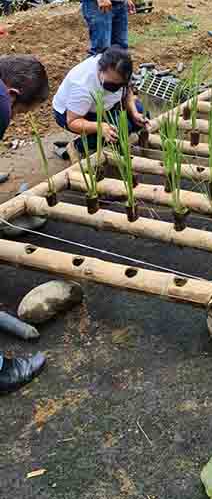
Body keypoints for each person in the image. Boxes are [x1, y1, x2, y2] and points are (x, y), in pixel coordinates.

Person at [0, 55, 49, 394]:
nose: (13, 118)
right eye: (20, 113)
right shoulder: (0, 103)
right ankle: (2, 373)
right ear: (14, 94)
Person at [52, 46, 148, 162]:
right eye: (112, 85)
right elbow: (73, 121)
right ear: (100, 70)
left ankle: (104, 137)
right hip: (72, 114)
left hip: (103, 106)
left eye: (120, 85)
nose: (116, 89)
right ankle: (76, 146)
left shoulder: (120, 71)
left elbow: (127, 91)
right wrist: (100, 127)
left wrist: (134, 113)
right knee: (120, 128)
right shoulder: (82, 85)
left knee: (141, 114)